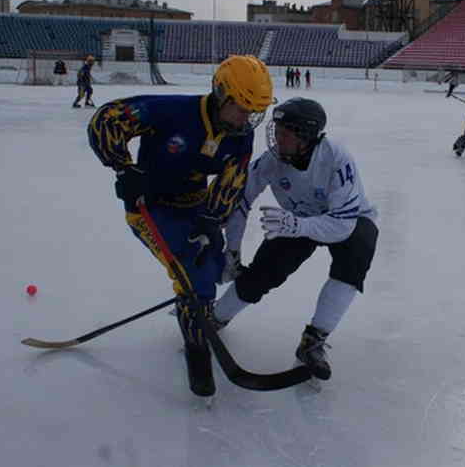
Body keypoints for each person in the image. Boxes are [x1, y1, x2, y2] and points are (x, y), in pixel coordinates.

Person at [86, 55, 274, 398]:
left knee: (213, 269)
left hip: (195, 208)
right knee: (191, 276)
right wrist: (123, 168)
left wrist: (211, 218)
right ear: (221, 94)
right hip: (150, 210)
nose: (247, 120)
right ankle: (196, 341)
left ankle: (196, 311)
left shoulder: (240, 135)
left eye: (253, 112)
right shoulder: (173, 111)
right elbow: (108, 119)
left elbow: (233, 178)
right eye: (242, 109)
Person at [212, 97, 379, 382]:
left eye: (286, 133)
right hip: (297, 219)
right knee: (264, 272)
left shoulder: (336, 159)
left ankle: (312, 341)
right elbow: (240, 202)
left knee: (357, 252)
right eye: (276, 130)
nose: (278, 139)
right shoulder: (271, 161)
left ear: (307, 138)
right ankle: (217, 317)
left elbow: (341, 226)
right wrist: (233, 252)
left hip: (345, 220)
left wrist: (297, 225)